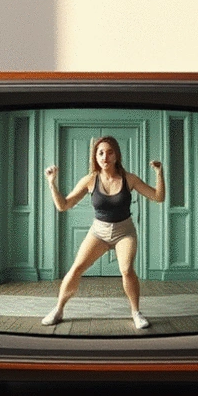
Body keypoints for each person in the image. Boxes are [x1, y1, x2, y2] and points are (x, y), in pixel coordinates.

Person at [42, 136, 165, 330]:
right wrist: (52, 183)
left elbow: (158, 197)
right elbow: (63, 205)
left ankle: (136, 312)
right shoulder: (90, 180)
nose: (105, 157)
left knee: (126, 270)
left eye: (109, 152)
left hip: (124, 232)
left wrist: (159, 173)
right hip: (98, 233)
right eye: (100, 153)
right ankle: (58, 310)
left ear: (116, 155)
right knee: (76, 268)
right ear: (95, 156)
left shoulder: (129, 179)